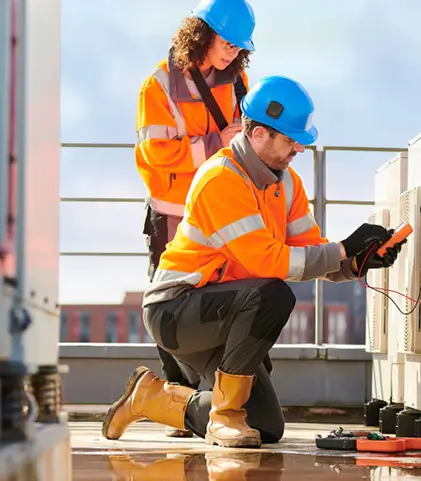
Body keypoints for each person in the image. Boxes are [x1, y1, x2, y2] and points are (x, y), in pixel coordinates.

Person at [103, 75, 403, 448]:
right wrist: (342, 249)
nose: (299, 149)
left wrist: (357, 262)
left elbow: (310, 248)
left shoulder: (287, 182)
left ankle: (152, 398)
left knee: (264, 426)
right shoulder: (220, 179)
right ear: (259, 133)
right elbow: (268, 261)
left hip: (225, 312)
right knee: (274, 295)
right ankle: (224, 418)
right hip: (177, 310)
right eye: (291, 140)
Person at [133, 0, 256, 437]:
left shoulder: (237, 79)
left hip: (219, 209)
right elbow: (156, 155)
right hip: (174, 213)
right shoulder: (159, 85)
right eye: (227, 43)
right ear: (202, 34)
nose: (232, 53)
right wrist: (215, 142)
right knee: (170, 303)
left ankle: (208, 399)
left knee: (219, 295)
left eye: (239, 47)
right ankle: (175, 398)